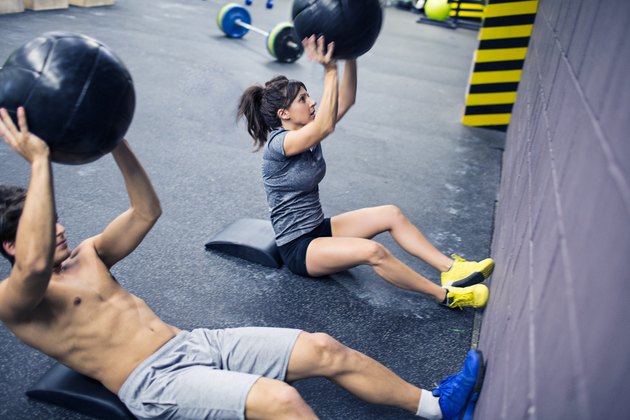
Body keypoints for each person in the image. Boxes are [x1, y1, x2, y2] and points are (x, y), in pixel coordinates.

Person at [0, 107, 485, 419]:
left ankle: (436, 407)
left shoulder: (89, 254)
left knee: (324, 348)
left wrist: (116, 143)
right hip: (151, 381)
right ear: (10, 248)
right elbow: (35, 264)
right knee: (283, 401)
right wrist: (39, 163)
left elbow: (147, 211)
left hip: (195, 344)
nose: (60, 228)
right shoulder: (18, 300)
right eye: (46, 227)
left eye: (57, 220)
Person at [238, 36, 494, 310]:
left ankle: (451, 268)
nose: (312, 102)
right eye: (303, 99)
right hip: (300, 248)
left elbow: (346, 100)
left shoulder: (305, 131)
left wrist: (351, 53)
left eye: (309, 96)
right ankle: (447, 296)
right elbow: (325, 126)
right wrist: (330, 70)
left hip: (319, 228)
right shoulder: (280, 144)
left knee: (391, 213)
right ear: (283, 114)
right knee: (373, 252)